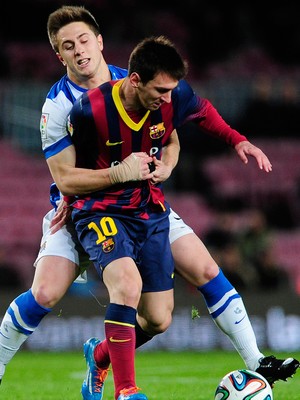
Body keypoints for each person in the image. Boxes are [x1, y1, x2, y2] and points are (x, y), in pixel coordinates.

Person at [0, 5, 298, 399]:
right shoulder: (60, 108)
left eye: (84, 40)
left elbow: (170, 134)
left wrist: (169, 165)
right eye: (67, 46)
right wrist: (120, 173)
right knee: (45, 295)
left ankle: (251, 362)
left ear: (100, 41)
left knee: (172, 304)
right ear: (59, 55)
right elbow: (65, 179)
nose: (79, 51)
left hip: (142, 202)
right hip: (79, 210)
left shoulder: (140, 83)